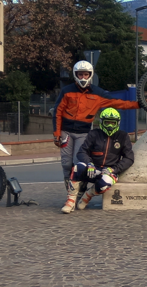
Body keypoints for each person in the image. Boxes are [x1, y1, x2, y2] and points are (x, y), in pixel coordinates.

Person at [54, 60, 139, 191]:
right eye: (80, 74)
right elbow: (57, 112)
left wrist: (138, 104)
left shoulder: (98, 93)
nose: (83, 77)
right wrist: (56, 133)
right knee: (66, 163)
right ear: (75, 74)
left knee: (79, 162)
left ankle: (80, 188)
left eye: (86, 74)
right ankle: (69, 187)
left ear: (90, 75)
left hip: (83, 133)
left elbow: (117, 103)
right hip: (66, 131)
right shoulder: (66, 91)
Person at [62, 108, 135, 213]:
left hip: (109, 170)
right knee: (77, 168)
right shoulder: (94, 134)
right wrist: (89, 163)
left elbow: (129, 158)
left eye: (113, 123)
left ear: (117, 123)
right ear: (101, 122)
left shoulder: (123, 136)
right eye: (107, 122)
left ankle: (88, 195)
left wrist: (114, 169)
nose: (110, 126)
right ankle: (70, 200)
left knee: (105, 183)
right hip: (92, 168)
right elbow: (82, 152)